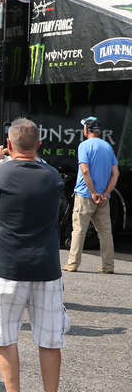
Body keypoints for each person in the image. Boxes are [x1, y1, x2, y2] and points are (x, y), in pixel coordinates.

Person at [0, 117, 68, 392]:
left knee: (5, 337)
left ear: (8, 144)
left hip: (8, 267)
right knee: (50, 339)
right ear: (40, 145)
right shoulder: (54, 176)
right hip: (46, 268)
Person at [64, 116, 119, 274]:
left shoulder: (84, 146)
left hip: (85, 194)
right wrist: (105, 193)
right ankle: (108, 266)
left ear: (86, 130)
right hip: (103, 198)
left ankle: (73, 264)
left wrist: (93, 192)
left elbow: (85, 170)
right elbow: (115, 173)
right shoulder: (108, 147)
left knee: (79, 230)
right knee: (105, 232)